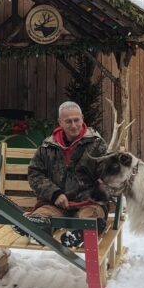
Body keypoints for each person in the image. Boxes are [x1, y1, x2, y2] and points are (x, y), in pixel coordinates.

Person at [27, 101, 109, 246]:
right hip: (56, 204)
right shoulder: (47, 147)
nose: (73, 125)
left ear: (82, 118)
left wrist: (105, 183)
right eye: (68, 121)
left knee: (90, 219)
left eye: (76, 120)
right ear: (60, 122)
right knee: (42, 216)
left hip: (88, 204)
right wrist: (54, 194)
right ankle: (36, 230)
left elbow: (109, 174)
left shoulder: (97, 145)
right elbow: (35, 173)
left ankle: (80, 235)